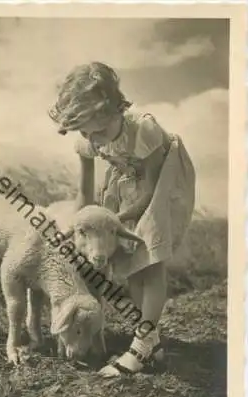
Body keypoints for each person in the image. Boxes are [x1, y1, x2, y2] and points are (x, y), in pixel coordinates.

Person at [48, 61, 196, 376]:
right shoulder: (87, 140)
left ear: (115, 109)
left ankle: (140, 347)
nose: (95, 139)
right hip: (125, 187)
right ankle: (152, 342)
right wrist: (75, 228)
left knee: (150, 261)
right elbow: (85, 195)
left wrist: (115, 221)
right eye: (86, 133)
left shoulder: (144, 129)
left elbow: (153, 188)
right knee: (130, 267)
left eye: (99, 130)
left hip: (160, 187)